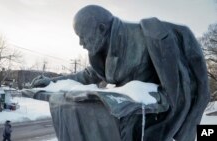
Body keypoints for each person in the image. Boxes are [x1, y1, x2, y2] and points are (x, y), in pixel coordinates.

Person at [31, 5, 210, 141]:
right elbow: (85, 76)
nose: (81, 43)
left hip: (153, 120)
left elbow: (182, 88)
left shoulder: (148, 36)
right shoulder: (101, 51)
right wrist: (52, 81)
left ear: (101, 29)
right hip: (129, 122)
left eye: (83, 36)